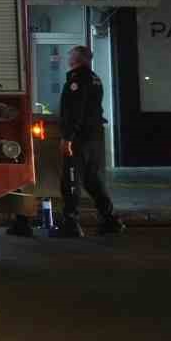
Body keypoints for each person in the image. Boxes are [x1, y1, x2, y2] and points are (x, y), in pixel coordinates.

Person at [55, 45, 123, 237]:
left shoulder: (77, 80)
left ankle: (71, 223)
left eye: (70, 55)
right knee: (92, 179)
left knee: (70, 179)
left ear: (77, 58)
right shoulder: (95, 78)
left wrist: (67, 138)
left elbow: (75, 111)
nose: (68, 58)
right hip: (93, 137)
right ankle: (110, 219)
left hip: (79, 137)